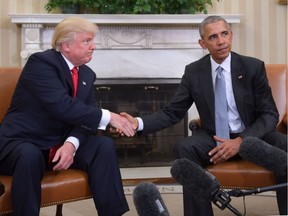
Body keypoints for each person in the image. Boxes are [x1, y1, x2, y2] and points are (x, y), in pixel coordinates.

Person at [121, 15, 287, 215]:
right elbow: (173, 111)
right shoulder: (194, 72)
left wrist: (241, 141)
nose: (221, 41)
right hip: (214, 137)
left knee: (283, 146)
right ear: (202, 43)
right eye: (213, 37)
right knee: (184, 148)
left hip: (253, 135)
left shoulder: (252, 67)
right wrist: (137, 123)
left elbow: (269, 114)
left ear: (231, 35)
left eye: (224, 34)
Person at [0, 17, 135, 216]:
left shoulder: (87, 74)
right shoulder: (41, 63)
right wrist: (110, 117)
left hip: (58, 144)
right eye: (86, 41)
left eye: (92, 41)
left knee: (102, 146)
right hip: (22, 141)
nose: (93, 46)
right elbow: (62, 106)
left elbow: (86, 119)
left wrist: (71, 144)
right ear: (66, 45)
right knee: (29, 155)